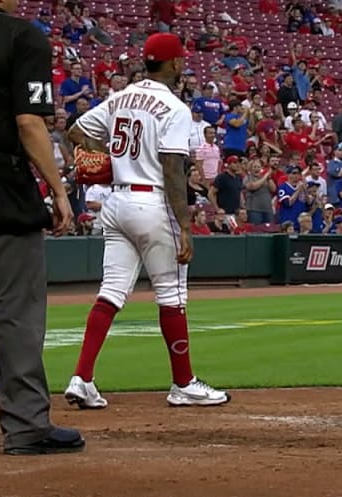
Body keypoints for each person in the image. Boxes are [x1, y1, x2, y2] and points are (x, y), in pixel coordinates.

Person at [64, 33, 231, 409]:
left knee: (111, 292)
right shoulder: (174, 106)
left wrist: (107, 159)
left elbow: (75, 131)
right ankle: (183, 383)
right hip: (153, 202)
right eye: (181, 60)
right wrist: (185, 226)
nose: (183, 65)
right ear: (173, 64)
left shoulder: (120, 97)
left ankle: (82, 377)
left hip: (117, 200)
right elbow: (173, 169)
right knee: (171, 296)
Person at [0, 0, 82, 455]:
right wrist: (59, 189)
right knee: (16, 310)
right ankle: (27, 426)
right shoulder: (19, 34)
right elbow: (29, 121)